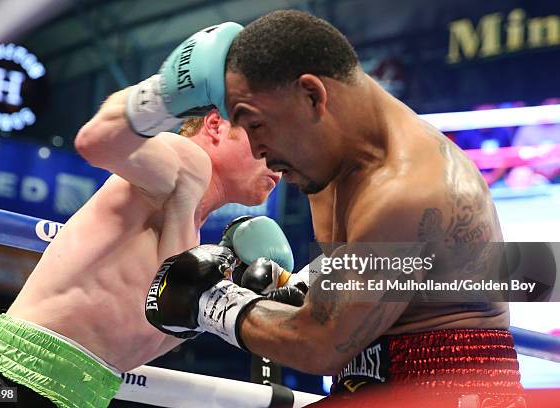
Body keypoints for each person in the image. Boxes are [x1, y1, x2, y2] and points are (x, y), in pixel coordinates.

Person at [144, 10, 526, 408]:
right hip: (369, 380)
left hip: (452, 392)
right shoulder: (322, 165)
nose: (257, 150)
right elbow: (350, 291)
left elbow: (322, 344)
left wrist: (211, 301)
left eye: (255, 125)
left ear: (312, 96)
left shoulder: (407, 188)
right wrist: (292, 288)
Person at [0, 97, 288, 406]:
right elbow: (99, 143)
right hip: (4, 381)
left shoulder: (192, 240)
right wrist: (166, 91)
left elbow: (151, 336)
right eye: (267, 137)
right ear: (216, 125)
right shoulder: (183, 161)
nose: (279, 160)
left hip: (67, 396)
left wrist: (235, 296)